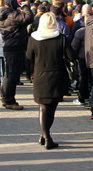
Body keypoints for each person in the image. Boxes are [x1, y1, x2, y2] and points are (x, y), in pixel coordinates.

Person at [26, 12, 69, 150]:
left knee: (43, 107)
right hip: (57, 75)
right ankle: (46, 136)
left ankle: (45, 136)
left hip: (40, 74)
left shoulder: (34, 38)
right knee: (52, 108)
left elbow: (28, 56)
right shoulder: (61, 38)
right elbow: (71, 55)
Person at [0, 0, 34, 110]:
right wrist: (26, 7)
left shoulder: (3, 15)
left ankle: (5, 98)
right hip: (15, 47)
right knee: (12, 75)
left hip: (9, 46)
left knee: (8, 74)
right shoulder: (12, 15)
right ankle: (9, 101)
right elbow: (29, 18)